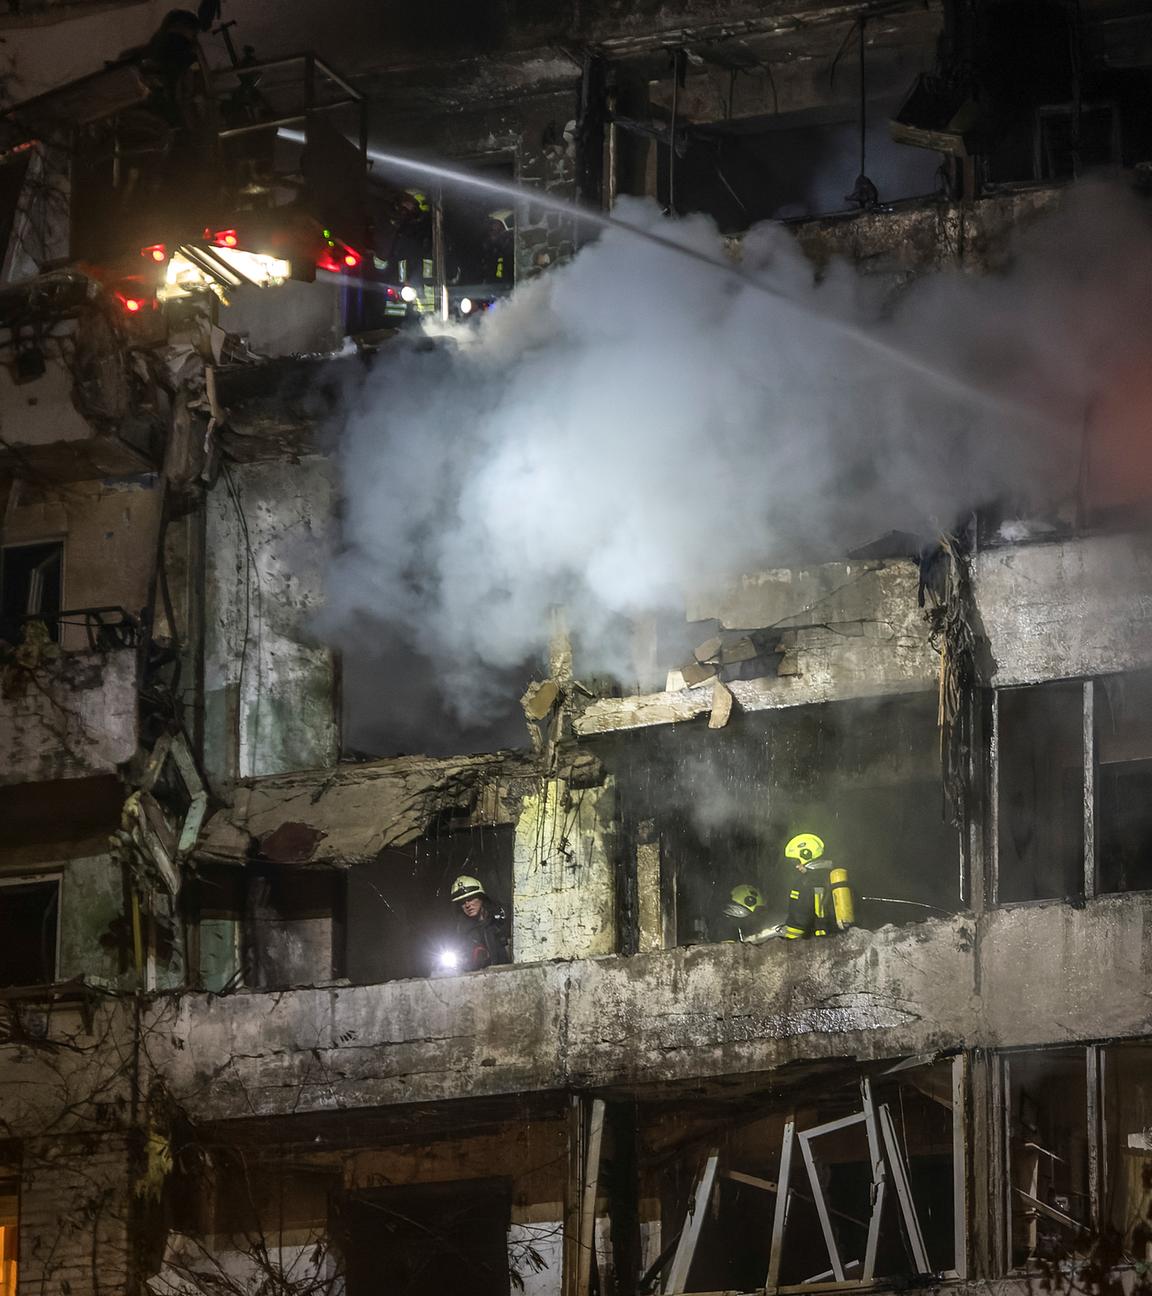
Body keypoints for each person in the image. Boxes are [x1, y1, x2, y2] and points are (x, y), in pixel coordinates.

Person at [779, 832, 855, 940]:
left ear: (806, 855)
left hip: (820, 941)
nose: (795, 866)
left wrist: (788, 942)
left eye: (795, 861)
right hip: (841, 936)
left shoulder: (804, 882)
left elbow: (798, 919)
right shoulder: (835, 876)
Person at [450, 874, 510, 971]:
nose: (467, 905)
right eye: (462, 902)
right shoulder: (461, 932)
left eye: (470, 899)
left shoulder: (500, 920)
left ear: (481, 897)